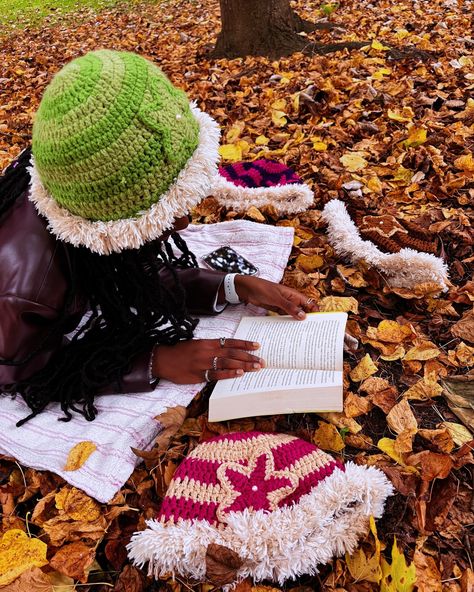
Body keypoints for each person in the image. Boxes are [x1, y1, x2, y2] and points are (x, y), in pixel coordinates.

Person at [0, 50, 317, 426]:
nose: (184, 222)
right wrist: (157, 360)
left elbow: (123, 275)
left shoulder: (78, 188)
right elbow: (24, 372)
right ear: (109, 222)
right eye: (164, 209)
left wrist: (235, 286)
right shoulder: (27, 287)